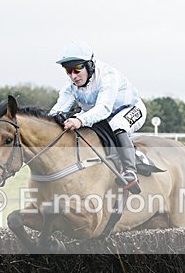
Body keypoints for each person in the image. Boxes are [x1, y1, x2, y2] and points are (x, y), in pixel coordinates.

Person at [48, 41, 146, 194]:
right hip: (99, 116)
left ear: (90, 65)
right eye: (68, 71)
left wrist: (79, 120)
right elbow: (58, 110)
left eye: (77, 69)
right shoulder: (70, 86)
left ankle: (130, 171)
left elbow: (104, 109)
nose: (73, 76)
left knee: (117, 124)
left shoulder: (108, 76)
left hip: (130, 109)